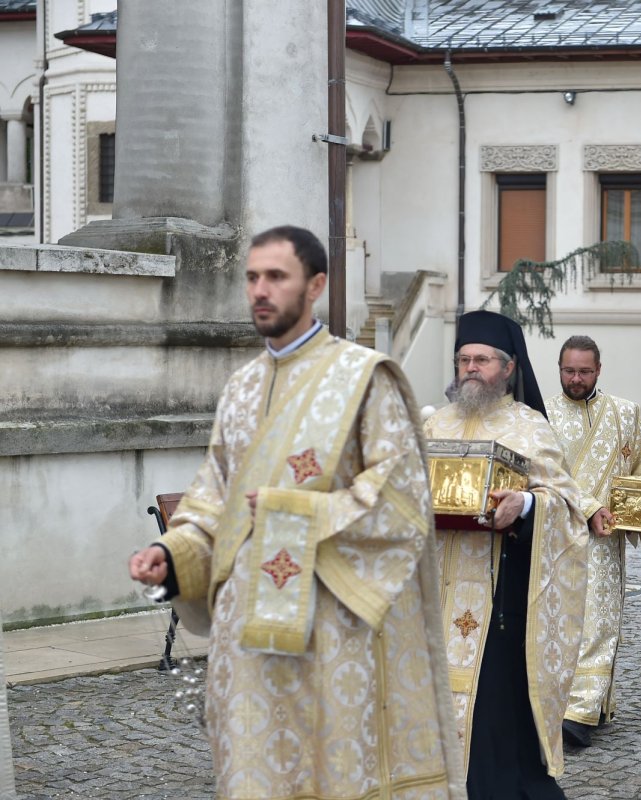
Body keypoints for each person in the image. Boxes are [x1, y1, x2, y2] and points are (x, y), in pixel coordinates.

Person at [128, 225, 464, 800]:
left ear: (315, 286)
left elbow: (401, 500)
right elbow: (213, 498)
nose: (260, 290)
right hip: (246, 636)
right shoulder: (240, 388)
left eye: (276, 277)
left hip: (331, 629)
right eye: (252, 277)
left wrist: (295, 512)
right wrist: (171, 553)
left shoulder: (364, 378)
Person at [424, 310, 587, 799]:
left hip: (499, 595)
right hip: (435, 591)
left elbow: (567, 505)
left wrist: (525, 505)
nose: (471, 368)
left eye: (482, 360)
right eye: (463, 359)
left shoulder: (529, 427)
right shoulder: (434, 422)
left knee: (493, 705)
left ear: (509, 367)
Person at [544, 335, 641, 749]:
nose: (576, 379)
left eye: (584, 371)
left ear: (599, 370)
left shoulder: (624, 415)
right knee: (555, 623)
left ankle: (582, 709)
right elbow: (541, 474)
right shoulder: (538, 417)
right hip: (552, 536)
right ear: (558, 369)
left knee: (598, 621)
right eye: (569, 371)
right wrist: (589, 504)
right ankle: (554, 703)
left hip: (602, 544)